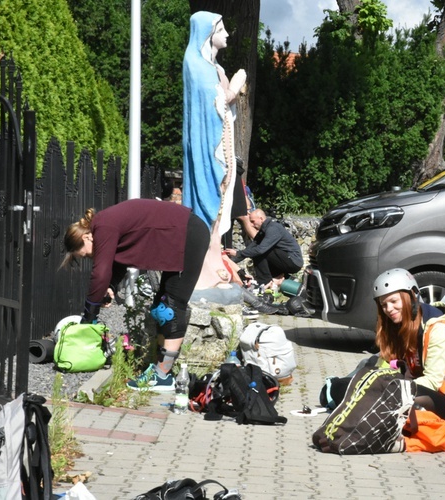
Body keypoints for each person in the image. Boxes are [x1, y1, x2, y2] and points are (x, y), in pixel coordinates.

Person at [62, 198, 209, 392]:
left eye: (85, 254)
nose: (89, 257)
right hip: (180, 235)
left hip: (188, 235)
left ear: (86, 237)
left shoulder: (103, 226)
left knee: (171, 309)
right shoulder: (105, 223)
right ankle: (161, 370)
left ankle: (163, 376)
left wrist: (89, 315)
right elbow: (119, 261)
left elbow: (101, 272)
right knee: (160, 308)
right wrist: (111, 286)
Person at [373, 268, 445, 429]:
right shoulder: (399, 325)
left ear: (411, 297)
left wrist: (387, 390)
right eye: (384, 305)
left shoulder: (438, 329)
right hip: (420, 389)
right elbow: (383, 366)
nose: (388, 309)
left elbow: (432, 381)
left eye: (393, 301)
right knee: (366, 374)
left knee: (388, 394)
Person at [182, 11, 247, 290]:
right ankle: (205, 264)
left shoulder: (214, 67)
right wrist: (236, 85)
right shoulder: (195, 65)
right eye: (221, 29)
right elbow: (216, 104)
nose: (227, 34)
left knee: (221, 205)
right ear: (208, 33)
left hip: (222, 145)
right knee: (210, 203)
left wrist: (232, 86)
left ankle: (214, 257)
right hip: (208, 148)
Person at [224, 209, 303, 289]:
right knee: (256, 250)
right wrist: (230, 260)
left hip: (293, 262)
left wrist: (238, 253)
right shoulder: (264, 230)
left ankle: (265, 282)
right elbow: (252, 245)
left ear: (261, 219)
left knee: (260, 251)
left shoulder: (273, 228)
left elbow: (260, 250)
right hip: (283, 259)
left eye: (253, 221)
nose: (251, 225)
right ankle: (282, 278)